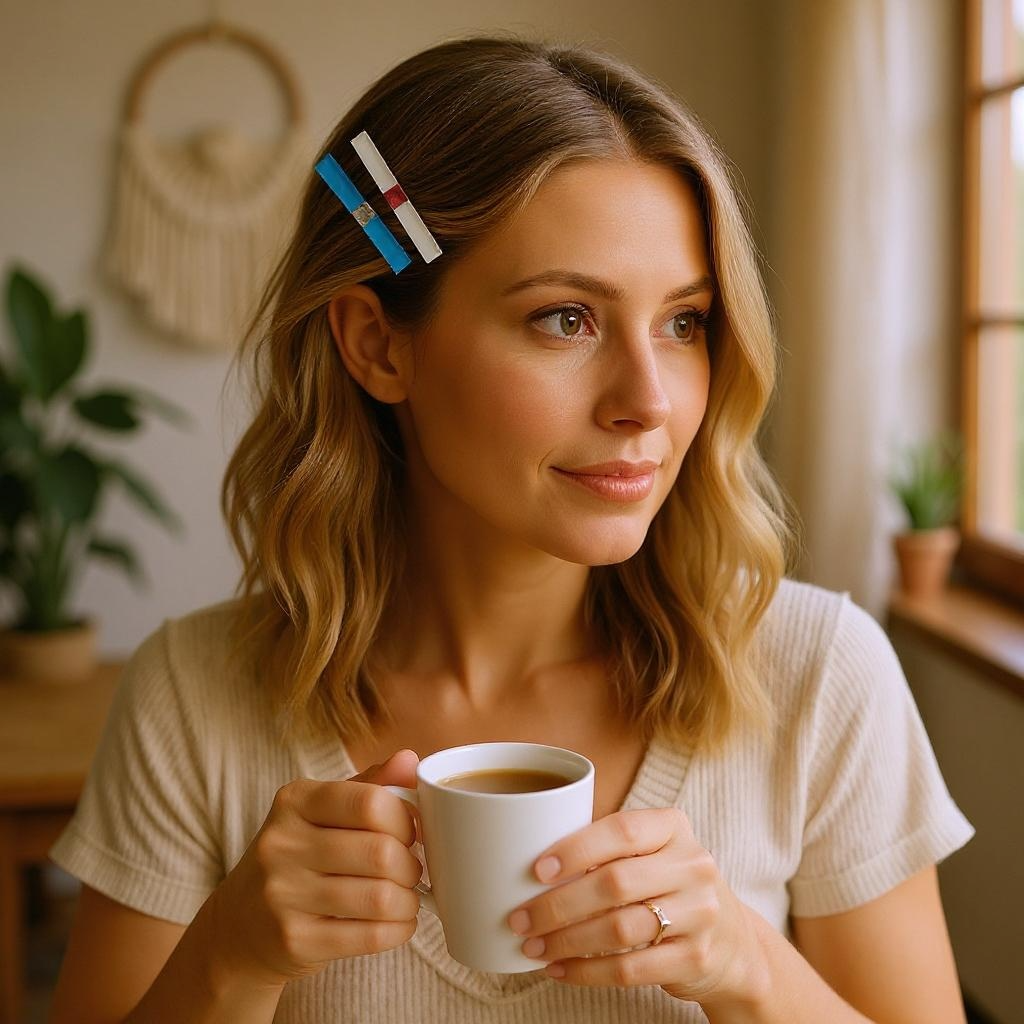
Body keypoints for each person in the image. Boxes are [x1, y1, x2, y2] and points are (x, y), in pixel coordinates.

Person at [47, 33, 974, 1024]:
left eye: (684, 322)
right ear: (375, 345)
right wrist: (229, 959)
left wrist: (749, 967)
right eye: (565, 319)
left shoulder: (819, 676)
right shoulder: (195, 698)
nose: (647, 401)